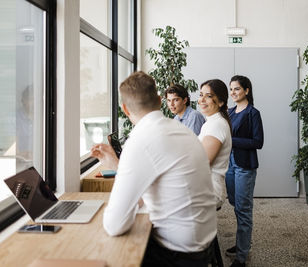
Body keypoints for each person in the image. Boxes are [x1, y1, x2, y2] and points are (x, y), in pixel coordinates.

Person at [90, 71, 217, 267]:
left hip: (180, 254)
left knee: (108, 252)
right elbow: (146, 193)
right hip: (203, 245)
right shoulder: (180, 130)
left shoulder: (141, 140)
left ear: (125, 109)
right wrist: (117, 164)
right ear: (159, 101)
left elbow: (115, 225)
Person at [225, 75, 264, 267]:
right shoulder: (230, 112)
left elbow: (258, 142)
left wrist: (232, 141)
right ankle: (243, 242)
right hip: (229, 166)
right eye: (231, 89)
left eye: (237, 89)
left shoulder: (252, 113)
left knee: (244, 209)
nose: (233, 93)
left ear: (246, 90)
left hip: (244, 166)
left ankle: (242, 255)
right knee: (235, 204)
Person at [197, 79, 232, 210]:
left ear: (221, 102)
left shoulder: (217, 124)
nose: (202, 100)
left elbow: (202, 163)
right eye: (201, 95)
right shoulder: (210, 123)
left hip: (210, 189)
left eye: (209, 96)